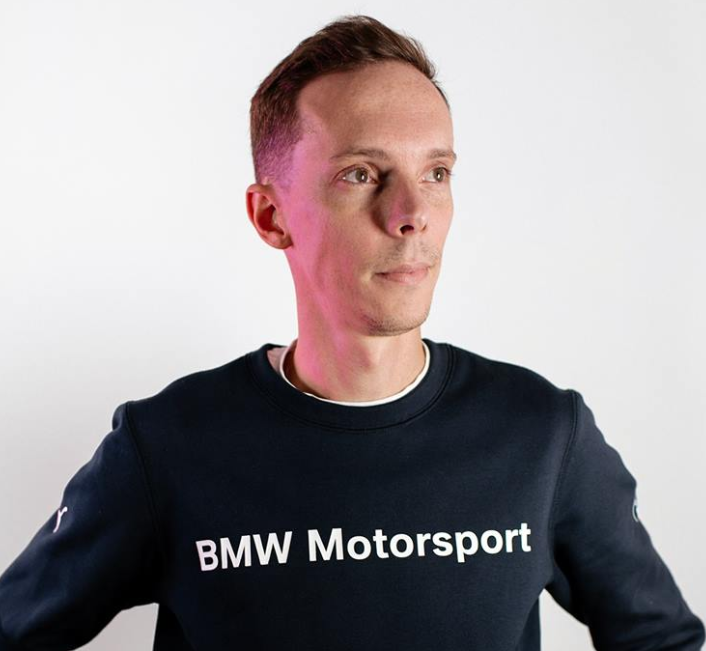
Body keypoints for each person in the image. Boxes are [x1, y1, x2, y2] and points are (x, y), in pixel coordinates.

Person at [0, 13, 703, 651]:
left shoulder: (543, 435)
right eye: (362, 174)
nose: (411, 213)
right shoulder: (167, 447)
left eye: (436, 172)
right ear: (271, 216)